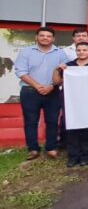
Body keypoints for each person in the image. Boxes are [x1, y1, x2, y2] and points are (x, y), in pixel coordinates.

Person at [14, 27, 69, 160]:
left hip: (52, 91)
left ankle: (51, 148)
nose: (45, 38)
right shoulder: (26, 52)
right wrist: (37, 86)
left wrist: (51, 85)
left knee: (52, 121)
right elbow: (21, 72)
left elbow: (65, 72)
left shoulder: (60, 53)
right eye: (42, 35)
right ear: (36, 37)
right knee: (31, 121)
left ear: (53, 39)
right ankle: (33, 149)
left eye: (48, 36)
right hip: (30, 91)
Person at [53, 42, 88, 167]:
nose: (81, 52)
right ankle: (73, 156)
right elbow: (57, 82)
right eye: (79, 50)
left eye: (84, 50)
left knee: (87, 128)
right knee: (72, 128)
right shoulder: (69, 66)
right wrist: (56, 69)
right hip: (71, 101)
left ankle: (86, 155)